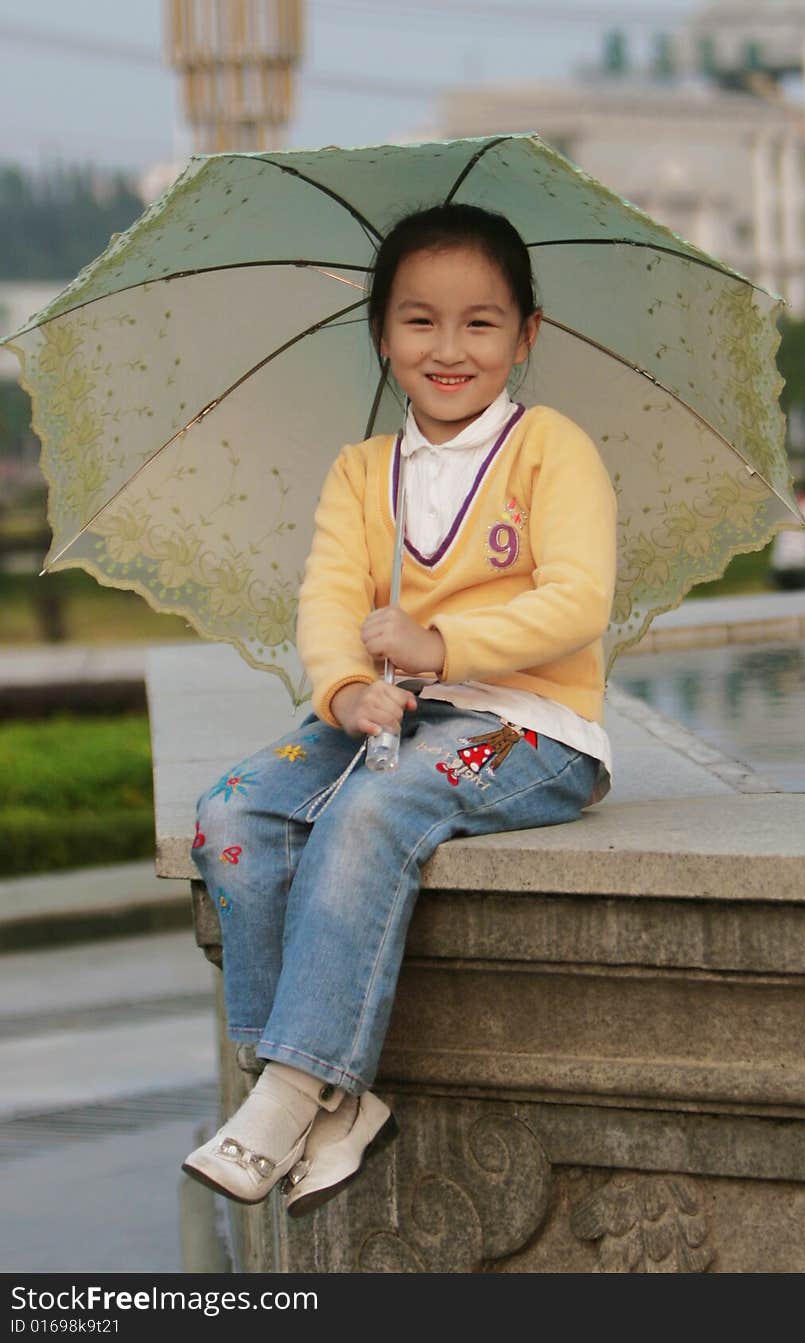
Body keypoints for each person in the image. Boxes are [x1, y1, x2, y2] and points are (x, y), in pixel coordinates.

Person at [184, 202, 618, 1219]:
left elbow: (578, 599)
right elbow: (327, 600)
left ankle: (289, 1092)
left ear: (526, 334)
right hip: (393, 716)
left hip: (530, 726)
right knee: (232, 808)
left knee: (372, 811)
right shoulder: (359, 469)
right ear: (382, 333)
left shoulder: (552, 448)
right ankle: (315, 1093)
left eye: (480, 322)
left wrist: (442, 646)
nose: (449, 347)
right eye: (419, 320)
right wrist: (346, 686)